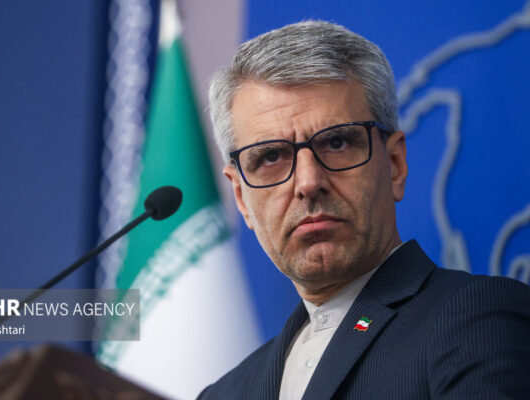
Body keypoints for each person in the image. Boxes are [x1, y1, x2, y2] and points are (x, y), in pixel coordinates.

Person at [198, 21, 530, 399]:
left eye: (337, 143)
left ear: (395, 164)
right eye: (271, 156)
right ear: (242, 198)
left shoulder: (477, 318)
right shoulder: (223, 393)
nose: (308, 182)